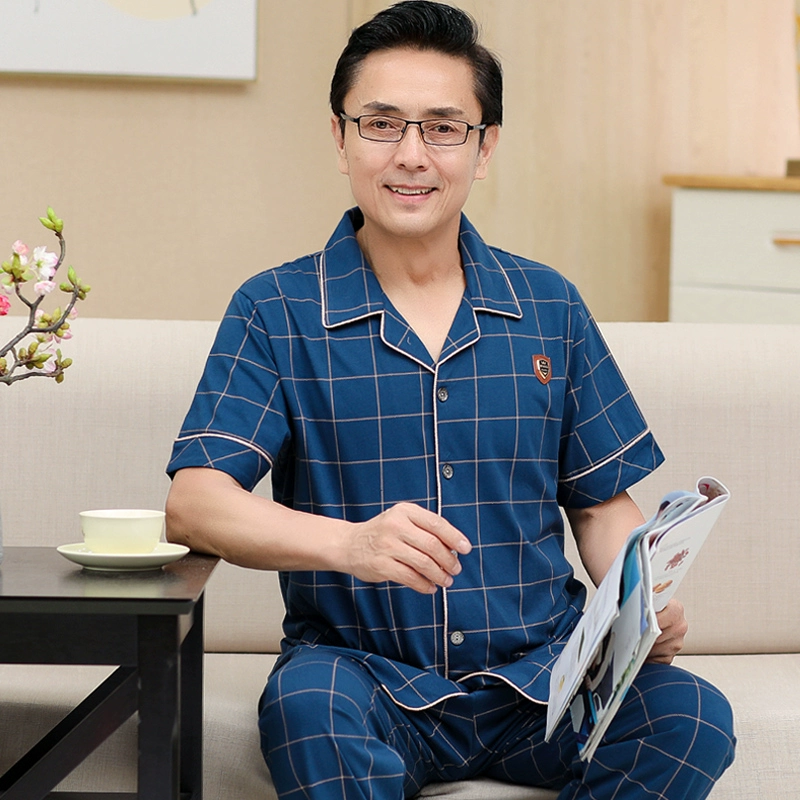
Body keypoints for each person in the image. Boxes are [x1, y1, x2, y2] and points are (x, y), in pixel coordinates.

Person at [165, 2, 735, 797]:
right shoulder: (277, 309)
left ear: (483, 146)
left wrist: (638, 610)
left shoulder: (549, 305)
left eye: (442, 128)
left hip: (544, 679)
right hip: (363, 678)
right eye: (380, 124)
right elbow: (195, 505)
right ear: (339, 139)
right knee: (307, 710)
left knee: (691, 715)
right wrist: (351, 545)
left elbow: (601, 505)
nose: (410, 155)